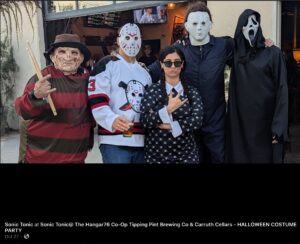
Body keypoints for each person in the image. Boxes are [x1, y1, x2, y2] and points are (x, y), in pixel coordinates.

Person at [148, 2, 273, 164]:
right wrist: (132, 66)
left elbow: (247, 49)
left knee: (219, 159)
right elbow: (154, 70)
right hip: (188, 120)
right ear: (186, 26)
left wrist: (263, 44)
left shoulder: (223, 45)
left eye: (203, 23)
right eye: (194, 23)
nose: (199, 27)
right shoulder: (178, 49)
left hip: (216, 120)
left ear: (210, 24)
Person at [15, 33, 95, 163]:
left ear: (81, 58)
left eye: (74, 52)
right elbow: (21, 110)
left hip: (76, 158)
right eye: (62, 51)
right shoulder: (42, 77)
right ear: (52, 57)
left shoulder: (88, 80)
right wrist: (35, 96)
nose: (68, 56)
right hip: (42, 158)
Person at [226, 9, 288, 163]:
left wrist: (279, 127)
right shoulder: (234, 53)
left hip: (265, 125)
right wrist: (183, 42)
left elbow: (282, 89)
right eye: (246, 24)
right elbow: (211, 43)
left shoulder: (273, 53)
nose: (251, 27)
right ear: (241, 28)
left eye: (254, 22)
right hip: (240, 126)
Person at [88, 23, 152, 164]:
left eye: (136, 38)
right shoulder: (106, 65)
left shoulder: (145, 72)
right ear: (118, 40)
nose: (132, 42)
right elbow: (96, 99)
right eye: (127, 37)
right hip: (113, 141)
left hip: (141, 142)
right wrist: (111, 119)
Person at [140, 46, 203, 163]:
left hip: (186, 155)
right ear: (162, 65)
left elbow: (197, 120)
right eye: (168, 63)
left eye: (177, 62)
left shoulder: (192, 91)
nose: (173, 66)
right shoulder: (152, 91)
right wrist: (168, 110)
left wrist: (171, 126)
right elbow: (145, 120)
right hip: (156, 156)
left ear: (182, 65)